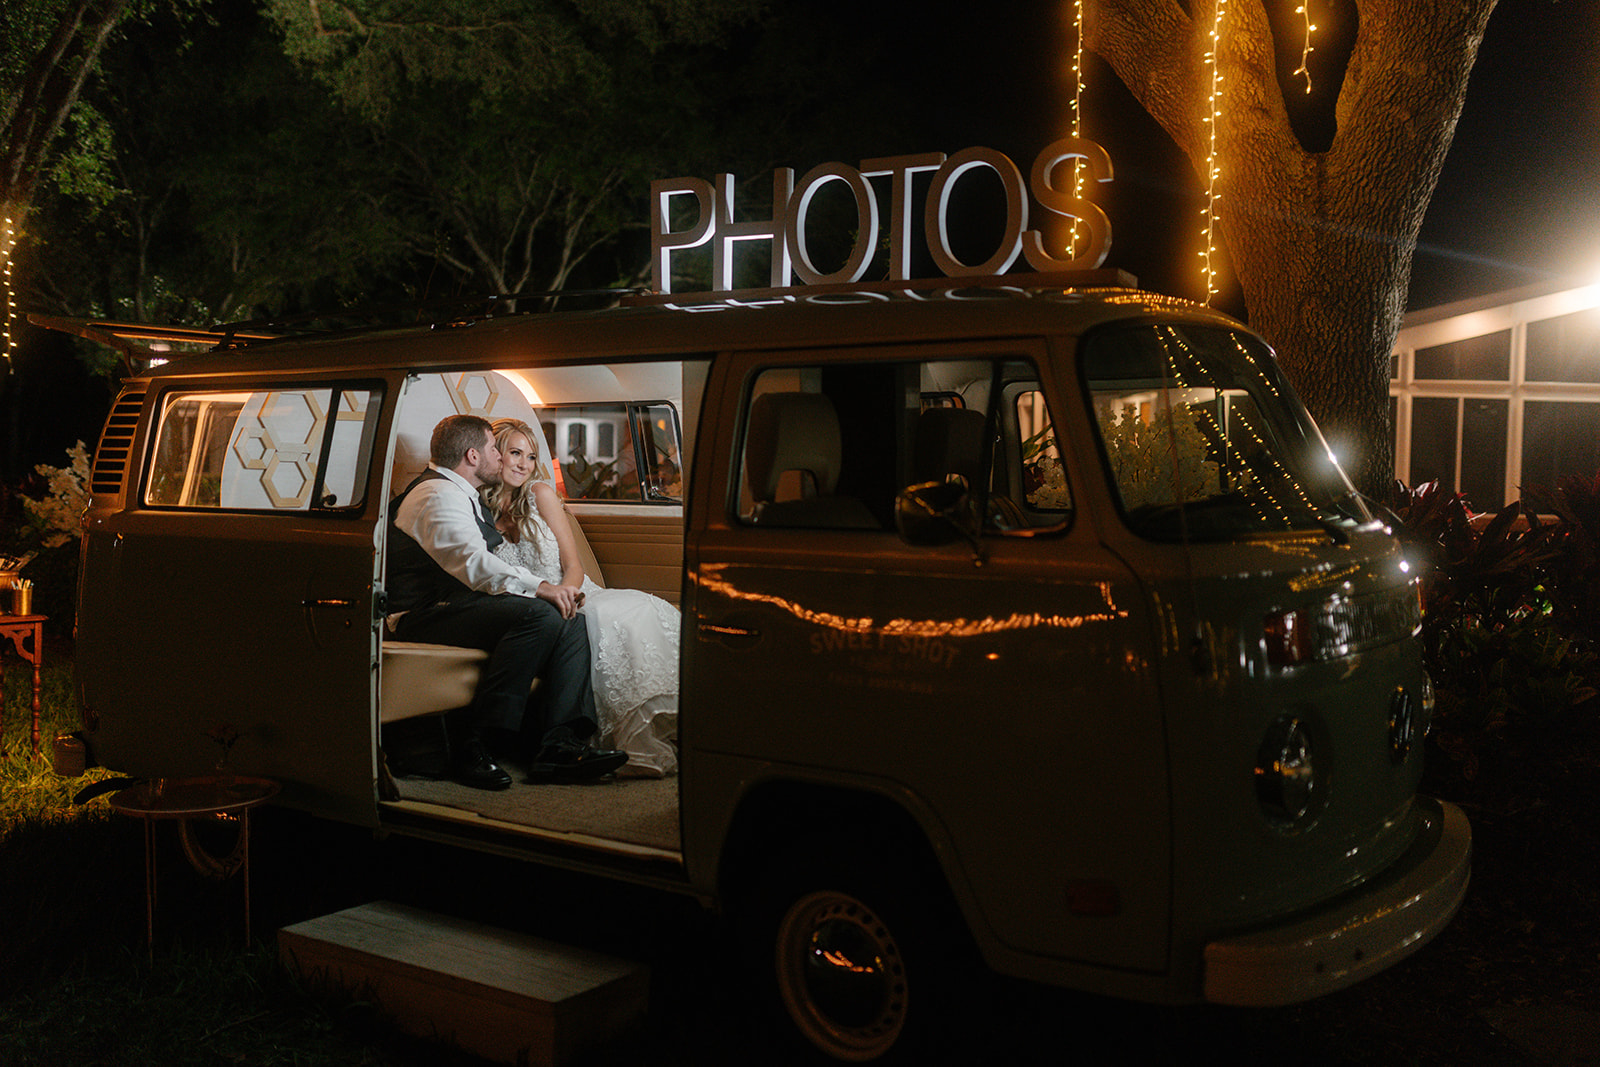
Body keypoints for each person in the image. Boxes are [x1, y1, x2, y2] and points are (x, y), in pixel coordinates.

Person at [386, 414, 628, 789]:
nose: (500, 459)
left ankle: (559, 745)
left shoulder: (459, 492)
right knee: (540, 614)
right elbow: (475, 564)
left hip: (453, 606)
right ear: (472, 456)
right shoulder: (435, 495)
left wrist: (556, 593)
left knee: (569, 617)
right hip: (420, 614)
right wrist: (544, 587)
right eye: (493, 451)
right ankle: (476, 742)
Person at [485, 418, 681, 777]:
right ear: (494, 455)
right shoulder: (477, 512)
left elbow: (572, 564)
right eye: (514, 453)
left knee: (631, 615)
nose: (523, 464)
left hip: (576, 592)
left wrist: (569, 593)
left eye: (530, 456)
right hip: (528, 608)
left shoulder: (540, 495)